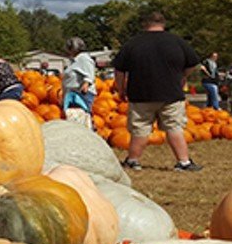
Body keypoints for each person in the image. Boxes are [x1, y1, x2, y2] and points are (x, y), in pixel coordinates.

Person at [113, 12, 202, 172]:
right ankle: (184, 162)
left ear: (145, 24)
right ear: (163, 24)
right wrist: (182, 77)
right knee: (174, 127)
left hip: (141, 93)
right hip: (171, 93)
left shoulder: (133, 43)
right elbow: (193, 63)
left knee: (140, 128)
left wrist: (121, 89)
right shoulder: (177, 41)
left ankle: (133, 160)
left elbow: (119, 70)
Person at [61, 37, 97, 129]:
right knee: (75, 120)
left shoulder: (83, 58)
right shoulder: (75, 60)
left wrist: (86, 84)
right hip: (72, 95)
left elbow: (90, 73)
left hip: (80, 94)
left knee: (82, 119)